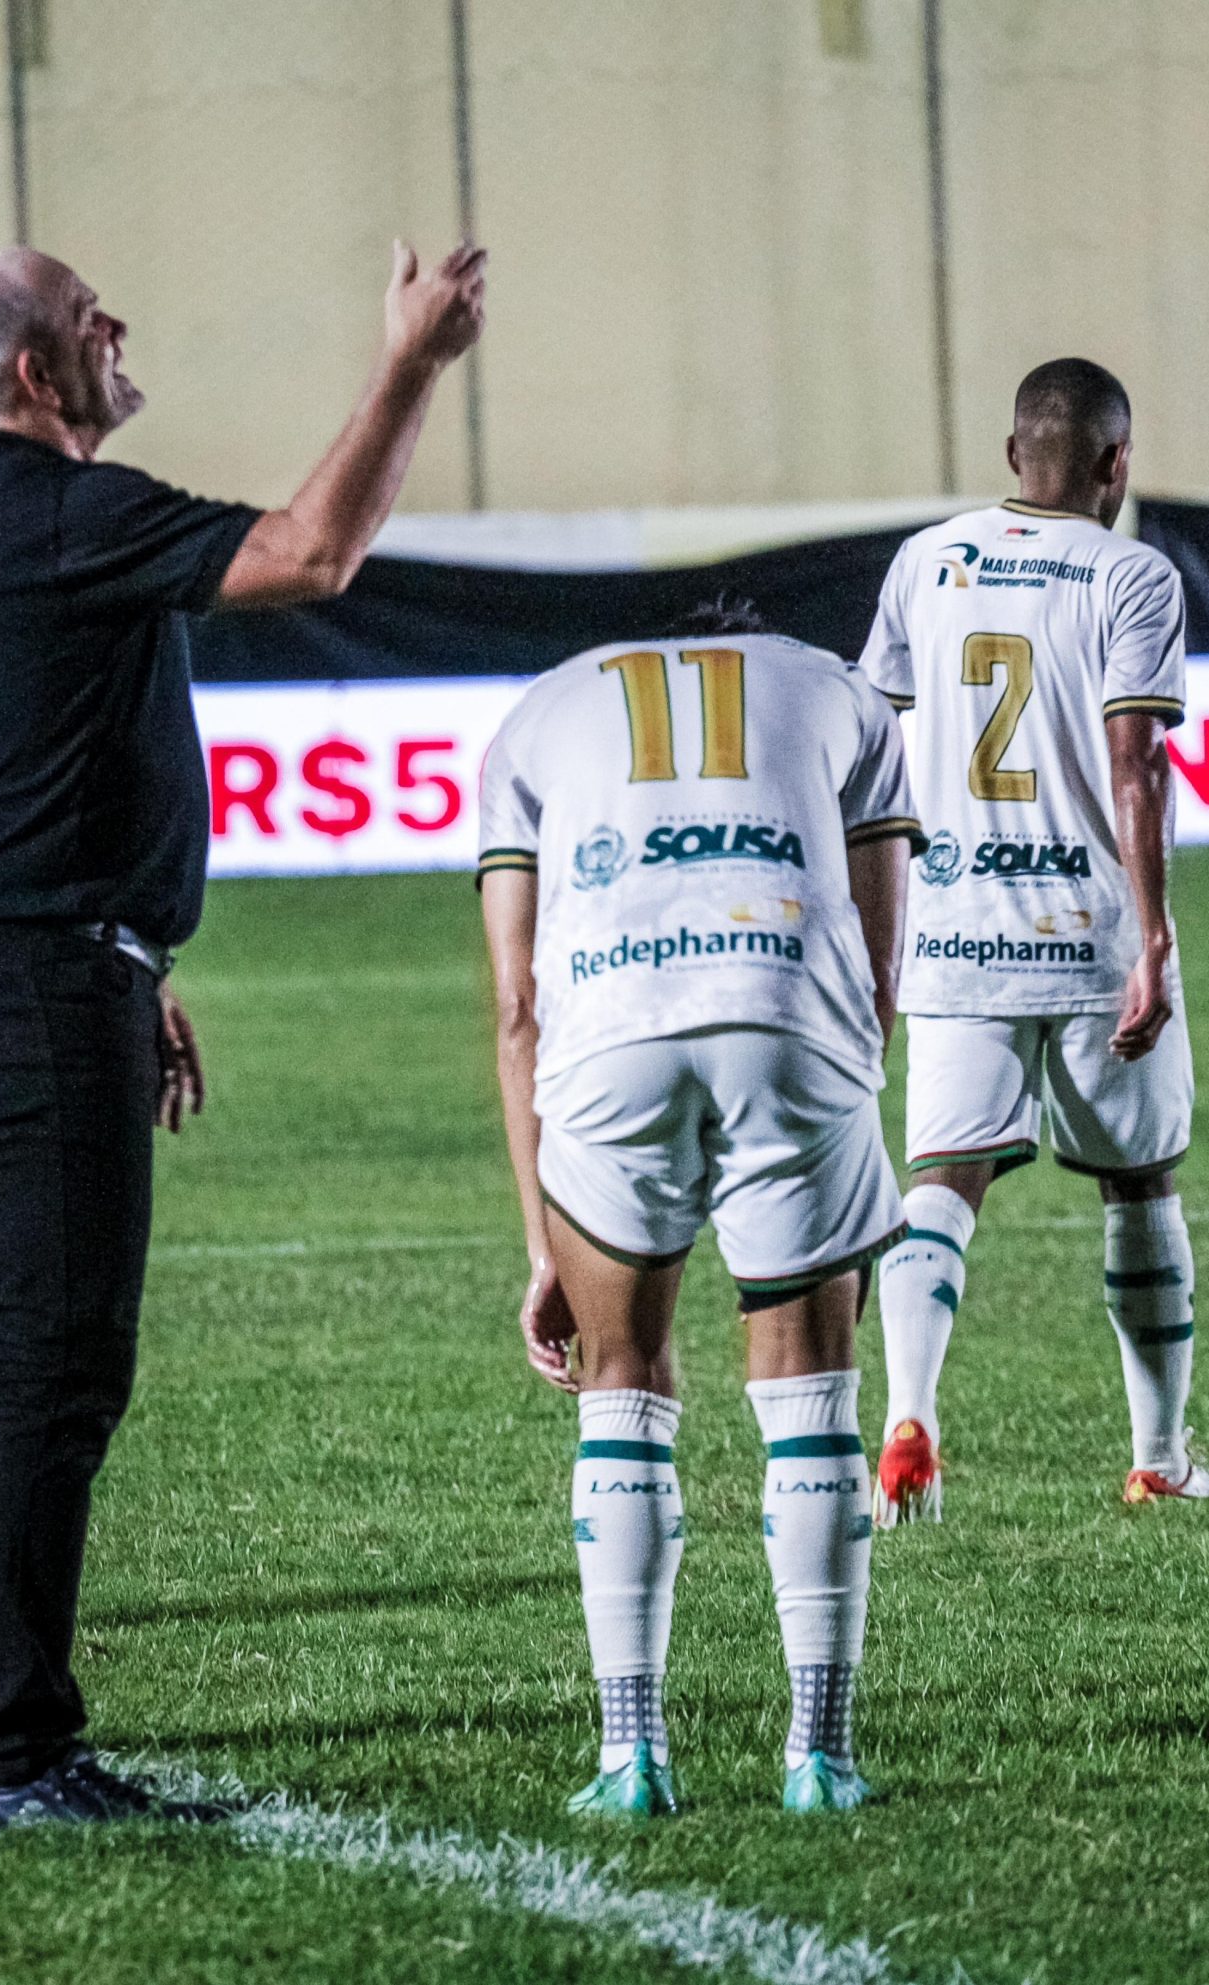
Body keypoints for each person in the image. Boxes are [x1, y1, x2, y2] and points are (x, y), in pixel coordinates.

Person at [0, 238, 487, 1842]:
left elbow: (2, 754)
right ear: (38, 372)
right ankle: (9, 1758)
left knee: (12, 1373)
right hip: (19, 985)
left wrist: (126, 954)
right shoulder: (58, 512)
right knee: (49, 1377)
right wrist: (412, 364)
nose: (118, 328)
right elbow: (311, 555)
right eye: (91, 318)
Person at [477, 601, 923, 1819]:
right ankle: (819, 1756)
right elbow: (881, 965)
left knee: (620, 1382)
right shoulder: (841, 689)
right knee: (810, 1393)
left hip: (609, 1031)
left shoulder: (539, 708)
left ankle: (631, 1756)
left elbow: (515, 1007)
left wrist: (542, 1240)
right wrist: (829, 1097)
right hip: (789, 1009)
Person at [858, 358, 1209, 1521]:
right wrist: (1155, 938)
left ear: (1010, 454)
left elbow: (874, 745)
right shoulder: (1131, 575)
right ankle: (1157, 1459)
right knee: (1138, 1179)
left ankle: (908, 1414)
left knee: (942, 1180)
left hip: (952, 928)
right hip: (1087, 932)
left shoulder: (924, 560)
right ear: (1115, 461)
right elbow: (1137, 759)